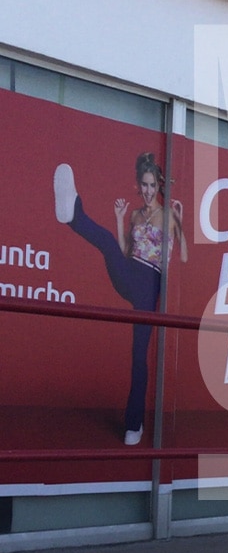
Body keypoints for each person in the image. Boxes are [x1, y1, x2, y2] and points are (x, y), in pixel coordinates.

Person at [54, 154, 188, 445]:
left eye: (152, 185)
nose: (148, 190)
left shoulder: (169, 215)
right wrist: (118, 218)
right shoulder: (136, 215)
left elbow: (182, 257)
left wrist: (180, 222)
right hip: (129, 273)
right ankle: (74, 214)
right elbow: (126, 249)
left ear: (159, 186)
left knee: (139, 356)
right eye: (144, 185)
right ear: (139, 186)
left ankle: (133, 425)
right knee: (107, 243)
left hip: (150, 284)